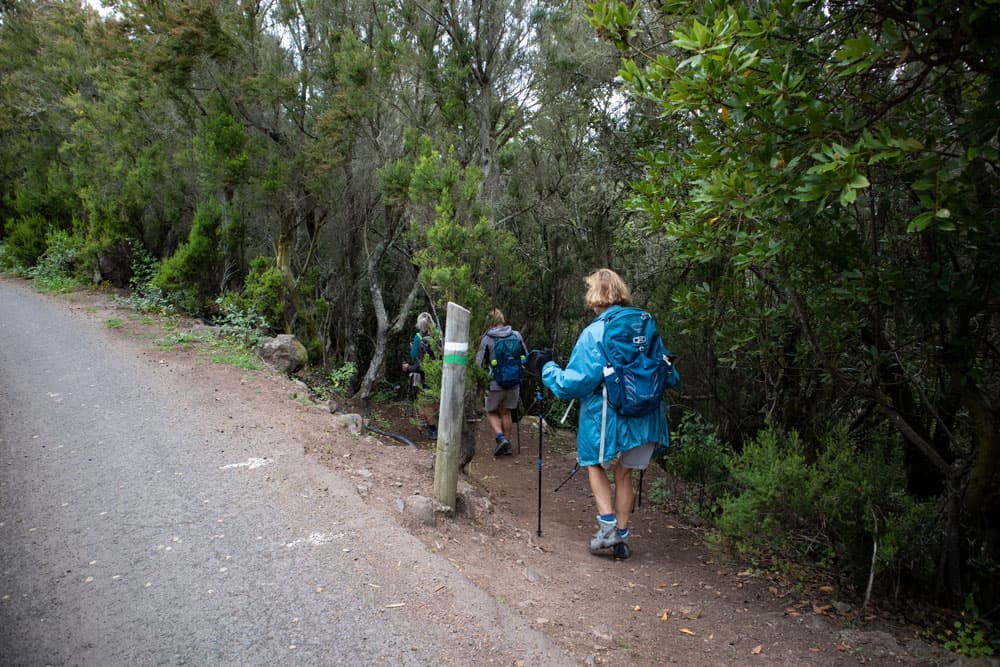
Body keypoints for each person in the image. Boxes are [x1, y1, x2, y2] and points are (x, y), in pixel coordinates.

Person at [539, 269, 670, 559]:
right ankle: (622, 537)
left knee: (594, 463)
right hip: (646, 412)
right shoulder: (643, 323)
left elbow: (572, 383)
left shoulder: (596, 332)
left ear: (594, 296)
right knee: (624, 473)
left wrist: (547, 368)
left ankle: (607, 529)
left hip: (608, 413)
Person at [476, 309, 528, 457]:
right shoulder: (516, 335)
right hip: (514, 382)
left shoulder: (487, 339)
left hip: (495, 383)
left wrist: (480, 382)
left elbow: (478, 363)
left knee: (490, 411)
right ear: (502, 319)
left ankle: (500, 438)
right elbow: (525, 355)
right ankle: (508, 444)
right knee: (506, 411)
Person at [402, 311, 438, 440]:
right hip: (441, 374)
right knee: (436, 401)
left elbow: (418, 363)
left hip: (427, 377)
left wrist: (408, 367)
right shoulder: (439, 335)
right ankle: (437, 425)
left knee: (425, 403)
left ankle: (432, 429)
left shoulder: (421, 340)